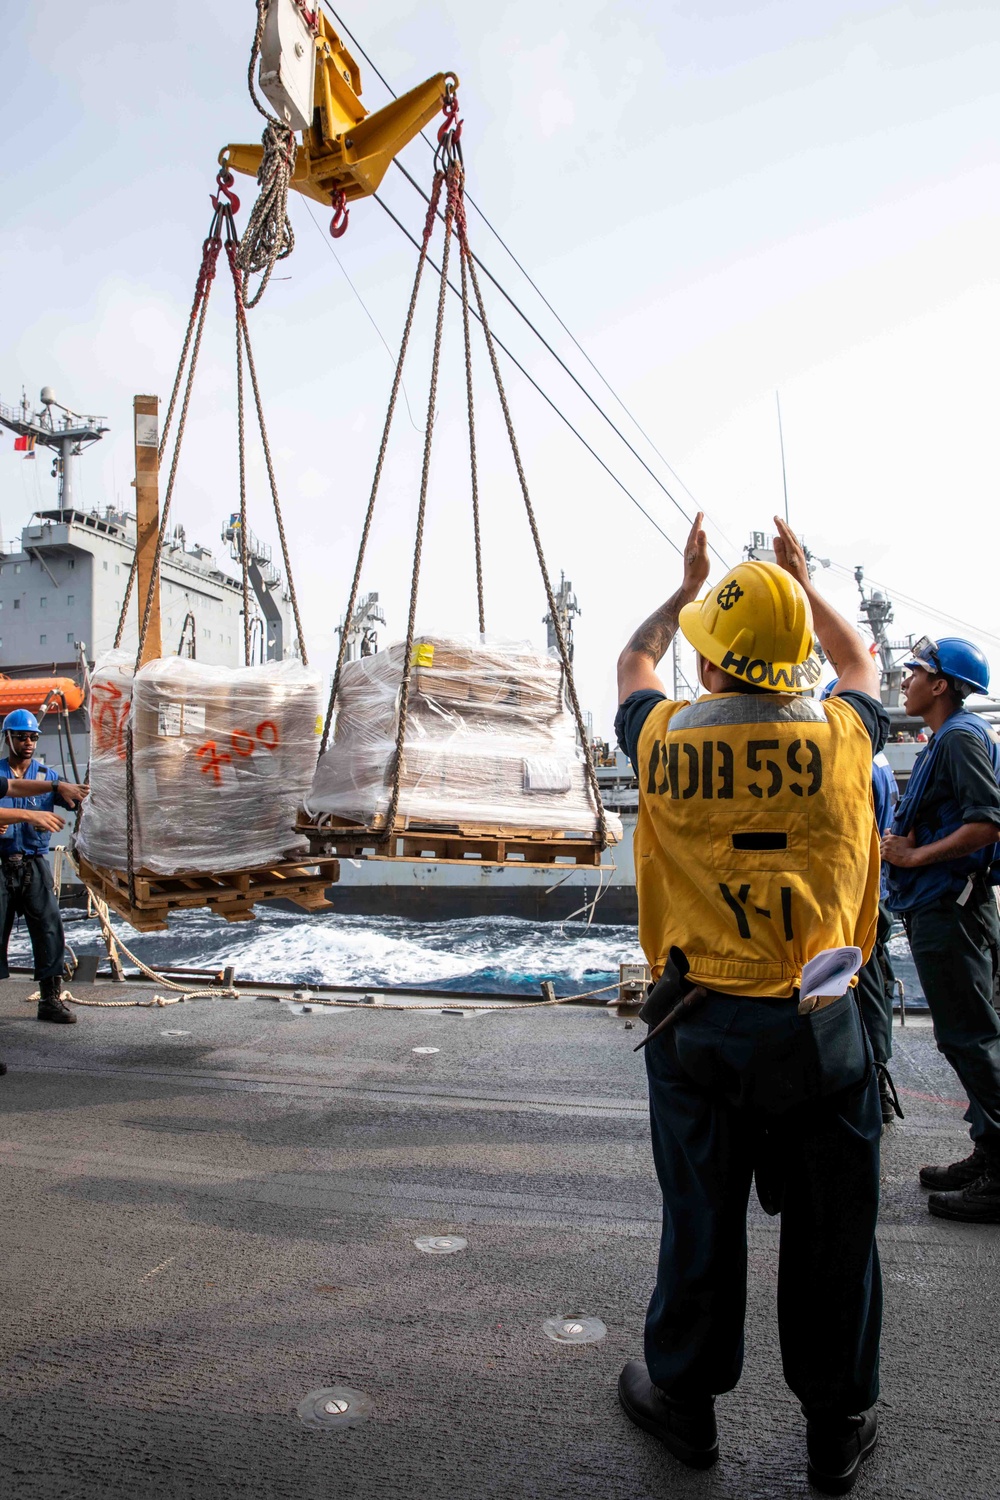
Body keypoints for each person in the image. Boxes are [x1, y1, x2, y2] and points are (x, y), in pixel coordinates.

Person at [614, 514, 888, 1495]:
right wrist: (805, 583)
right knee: (833, 1233)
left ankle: (685, 1406)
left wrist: (681, 586)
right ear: (795, 654)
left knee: (700, 1219)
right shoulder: (845, 738)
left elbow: (633, 660)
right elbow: (854, 661)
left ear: (713, 662)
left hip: (698, 1028)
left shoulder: (661, 741)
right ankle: (834, 1427)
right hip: (820, 1027)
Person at [880, 636, 1000, 1224]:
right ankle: (989, 1151)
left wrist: (911, 859)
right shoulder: (946, 739)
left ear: (942, 684)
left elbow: (986, 825)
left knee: (970, 1038)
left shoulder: (957, 740)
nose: (906, 680)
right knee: (967, 1035)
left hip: (949, 909)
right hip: (945, 907)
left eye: (916, 671)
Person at [821, 677, 901, 1126]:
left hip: (856, 896)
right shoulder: (880, 760)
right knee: (871, 986)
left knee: (861, 989)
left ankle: (871, 1087)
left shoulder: (856, 760)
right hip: (873, 892)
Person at [0, 710, 89, 1030]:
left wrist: (79, 792)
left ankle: (49, 999)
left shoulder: (48, 778)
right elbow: (11, 791)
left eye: (33, 737)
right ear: (7, 738)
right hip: (1, 865)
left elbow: (78, 802)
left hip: (34, 864)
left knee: (50, 928)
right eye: (21, 736)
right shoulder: (2, 776)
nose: (28, 742)